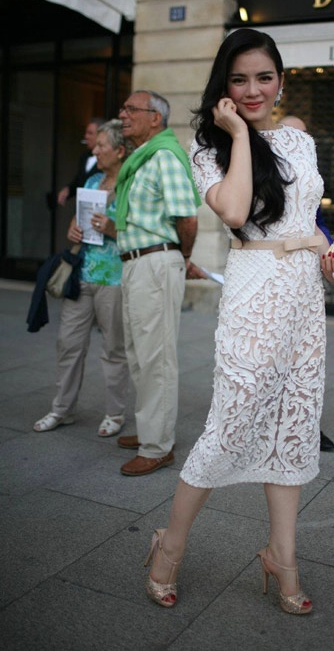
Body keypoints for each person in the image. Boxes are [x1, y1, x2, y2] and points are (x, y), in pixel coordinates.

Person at [143, 29, 334, 614]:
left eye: (265, 77)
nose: (254, 89)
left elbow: (309, 223)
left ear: (282, 80)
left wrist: (332, 260)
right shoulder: (207, 147)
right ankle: (169, 546)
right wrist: (238, 132)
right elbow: (235, 211)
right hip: (254, 292)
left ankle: (281, 557)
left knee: (294, 422)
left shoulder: (299, 139)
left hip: (304, 296)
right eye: (240, 79)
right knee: (232, 421)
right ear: (224, 87)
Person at [115, 90, 204, 477]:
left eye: (131, 109)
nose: (123, 115)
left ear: (156, 118)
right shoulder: (142, 160)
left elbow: (187, 217)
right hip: (137, 263)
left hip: (155, 261)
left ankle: (158, 447)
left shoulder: (164, 156)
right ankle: (151, 427)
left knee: (156, 356)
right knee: (139, 352)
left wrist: (183, 258)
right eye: (124, 109)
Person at [34, 119, 131, 437]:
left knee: (113, 349)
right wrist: (73, 227)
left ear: (119, 150)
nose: (96, 149)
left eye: (102, 145)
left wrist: (113, 228)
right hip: (82, 273)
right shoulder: (91, 181)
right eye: (96, 144)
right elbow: (79, 217)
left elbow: (142, 233)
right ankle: (62, 410)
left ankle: (115, 414)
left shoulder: (132, 184)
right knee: (69, 344)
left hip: (114, 278)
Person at [281, 115, 334, 453]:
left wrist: (333, 254)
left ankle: (307, 426)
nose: (300, 142)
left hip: (307, 279)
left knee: (305, 359)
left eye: (304, 136)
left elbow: (318, 223)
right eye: (292, 135)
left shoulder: (310, 179)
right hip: (274, 277)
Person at [57, 118, 105, 206]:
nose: (86, 136)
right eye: (86, 133)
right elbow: (79, 180)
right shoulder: (84, 157)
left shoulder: (107, 159)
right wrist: (68, 189)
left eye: (90, 133)